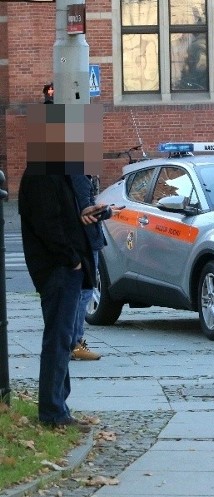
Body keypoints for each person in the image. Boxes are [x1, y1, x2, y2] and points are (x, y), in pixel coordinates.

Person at [19, 103, 105, 430]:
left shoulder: (58, 170)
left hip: (65, 266)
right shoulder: (43, 173)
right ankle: (53, 412)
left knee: (63, 338)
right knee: (58, 339)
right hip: (58, 268)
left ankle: (59, 407)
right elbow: (48, 225)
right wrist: (71, 260)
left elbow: (66, 217)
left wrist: (90, 214)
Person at [70, 174, 111, 361]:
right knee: (85, 291)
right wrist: (108, 211)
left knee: (82, 291)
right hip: (86, 240)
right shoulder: (79, 176)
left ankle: (73, 341)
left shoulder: (78, 174)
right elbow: (86, 211)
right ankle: (75, 343)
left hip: (84, 239)